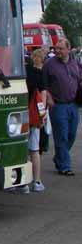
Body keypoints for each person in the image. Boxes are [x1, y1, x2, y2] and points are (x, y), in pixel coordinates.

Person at [42, 38, 82, 176]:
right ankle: (65, 166)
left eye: (60, 49)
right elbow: (43, 84)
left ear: (68, 49)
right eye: (56, 48)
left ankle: (59, 157)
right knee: (62, 136)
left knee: (71, 135)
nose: (57, 51)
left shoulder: (75, 64)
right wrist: (48, 97)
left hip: (73, 105)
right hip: (58, 106)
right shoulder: (49, 64)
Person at [19, 48, 48, 192]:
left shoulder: (24, 72)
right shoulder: (40, 75)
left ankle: (22, 183)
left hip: (21, 116)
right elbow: (43, 95)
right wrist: (42, 116)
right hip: (35, 116)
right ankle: (37, 182)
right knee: (34, 150)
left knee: (22, 150)